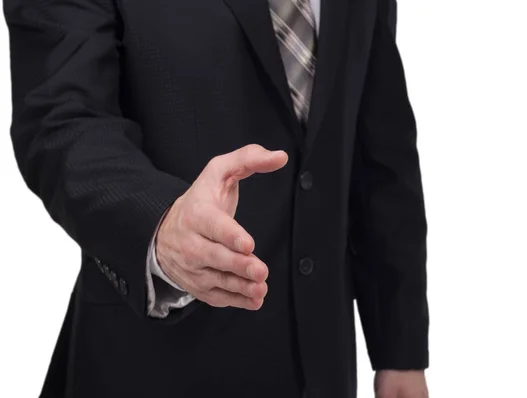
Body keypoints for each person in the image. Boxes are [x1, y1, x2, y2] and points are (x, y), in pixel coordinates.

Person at [3, 0, 429, 396]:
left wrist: (400, 349)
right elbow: (60, 116)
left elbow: (380, 147)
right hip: (151, 366)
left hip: (322, 370)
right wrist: (160, 223)